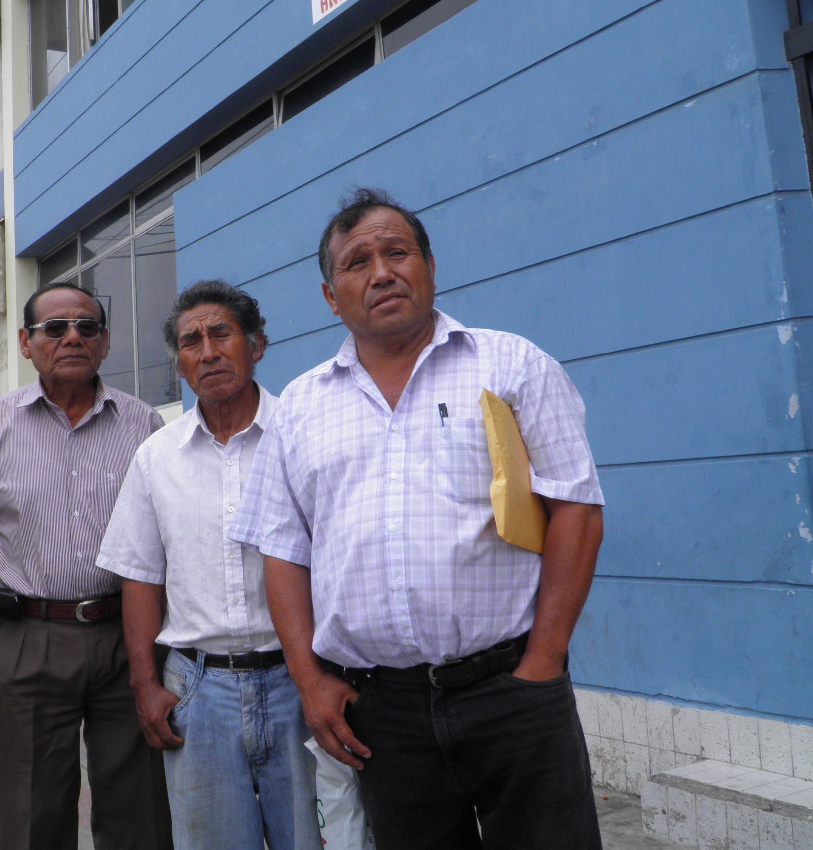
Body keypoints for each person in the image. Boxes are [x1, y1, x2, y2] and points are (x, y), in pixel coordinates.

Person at [231, 189, 606, 850]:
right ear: (331, 296)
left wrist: (544, 660)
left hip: (513, 688)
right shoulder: (301, 408)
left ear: (429, 266)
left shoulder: (512, 365)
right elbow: (283, 552)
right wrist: (311, 682)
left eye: (397, 253)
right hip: (381, 713)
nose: (381, 273)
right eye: (357, 263)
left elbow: (576, 509)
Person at [0, 282, 171, 850]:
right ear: (26, 343)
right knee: (33, 817)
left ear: (105, 342)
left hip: (128, 637)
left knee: (141, 813)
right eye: (55, 328)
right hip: (28, 639)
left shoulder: (143, 424)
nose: (72, 337)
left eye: (87, 327)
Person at [97, 280, 321, 850]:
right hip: (197, 690)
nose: (208, 352)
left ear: (257, 344)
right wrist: (146, 685)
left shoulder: (305, 436)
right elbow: (140, 577)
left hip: (300, 683)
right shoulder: (156, 458)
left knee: (314, 839)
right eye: (191, 342)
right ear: (180, 365)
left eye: (221, 334)